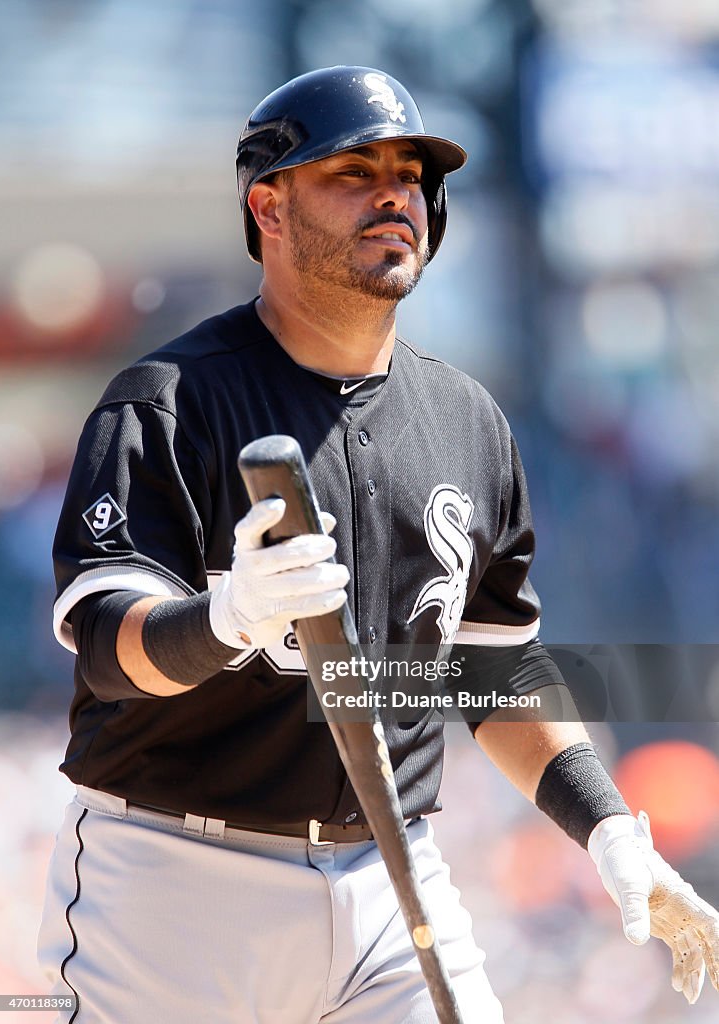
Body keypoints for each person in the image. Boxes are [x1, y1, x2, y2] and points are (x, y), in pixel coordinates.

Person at [40, 66, 719, 1023]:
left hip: (388, 878)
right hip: (175, 880)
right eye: (352, 171)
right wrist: (223, 618)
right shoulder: (168, 398)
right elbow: (108, 646)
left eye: (410, 173)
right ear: (267, 207)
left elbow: (492, 671)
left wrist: (605, 825)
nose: (394, 192)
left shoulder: (467, 421)